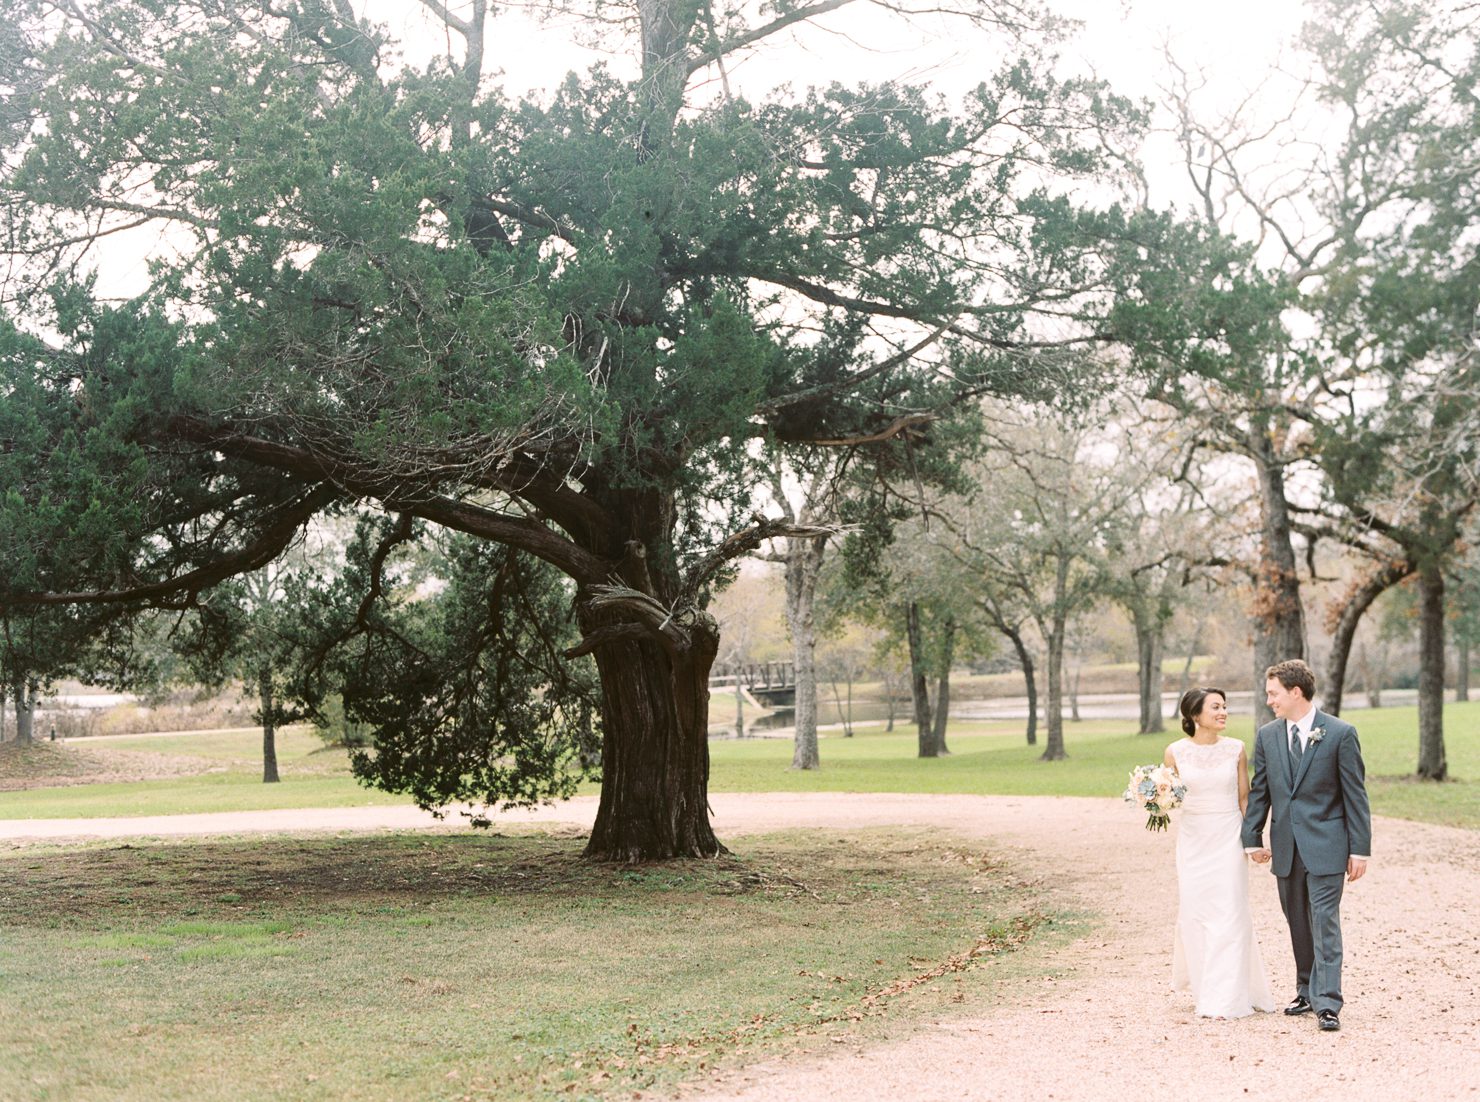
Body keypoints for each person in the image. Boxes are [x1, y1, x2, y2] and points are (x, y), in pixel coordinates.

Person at [1241, 659, 1372, 1033]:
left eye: (1273, 693)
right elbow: (1260, 791)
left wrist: (1359, 849)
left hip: (1328, 846)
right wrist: (1252, 838)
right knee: (1297, 921)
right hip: (1286, 847)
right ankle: (1306, 990)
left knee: (1324, 921)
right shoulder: (1267, 736)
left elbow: (1355, 797)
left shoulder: (1341, 733)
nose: (1269, 701)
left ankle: (1328, 1003)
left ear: (1295, 692)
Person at [1165, 687, 1276, 1018]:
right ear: (1195, 714)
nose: (1223, 712)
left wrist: (1253, 841)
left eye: (1225, 706)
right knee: (1196, 912)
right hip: (1193, 839)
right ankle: (1205, 989)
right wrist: (1154, 801)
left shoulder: (1236, 749)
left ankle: (1228, 995)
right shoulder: (1174, 752)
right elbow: (1169, 795)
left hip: (1227, 837)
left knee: (1230, 912)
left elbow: (1245, 799)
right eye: (1216, 707)